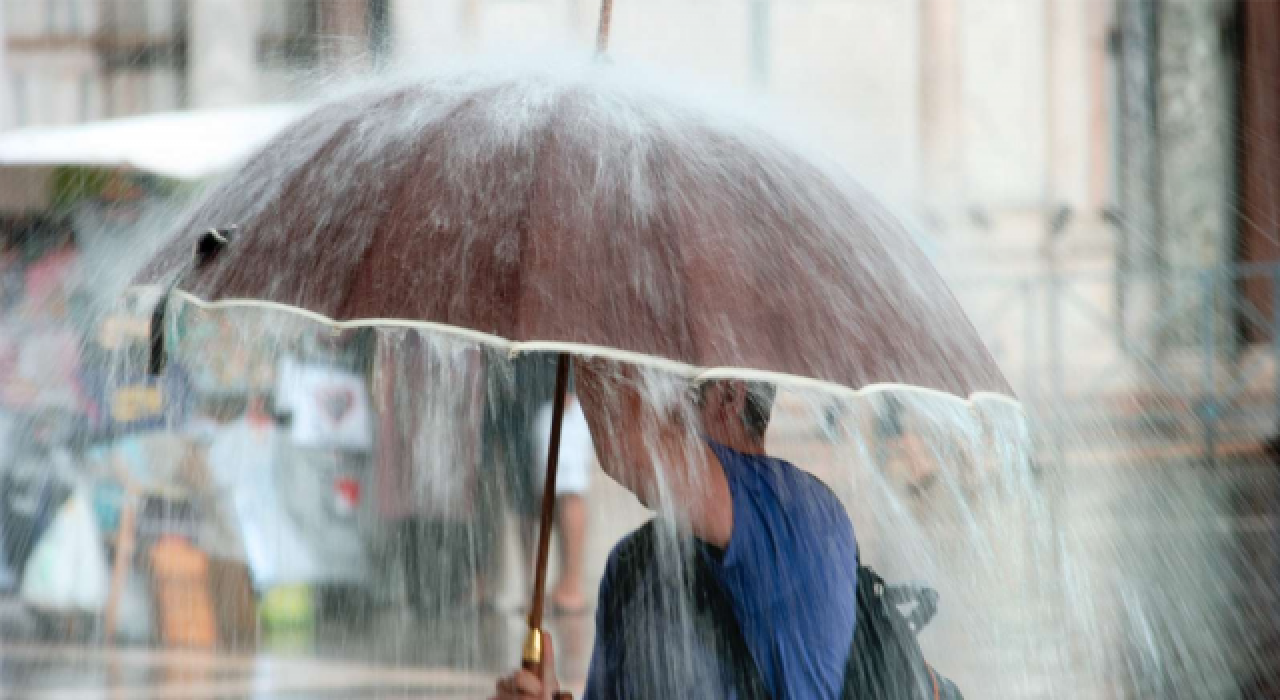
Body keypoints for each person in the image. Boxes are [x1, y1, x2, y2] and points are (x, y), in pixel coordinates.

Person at [493, 360, 860, 699]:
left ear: (730, 394)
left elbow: (628, 443)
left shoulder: (801, 514)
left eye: (662, 379)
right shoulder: (634, 559)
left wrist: (582, 326)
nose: (651, 402)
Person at [531, 387, 593, 615]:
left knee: (568, 487)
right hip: (526, 391)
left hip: (560, 390)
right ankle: (549, 586)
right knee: (542, 492)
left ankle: (571, 587)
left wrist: (569, 385)